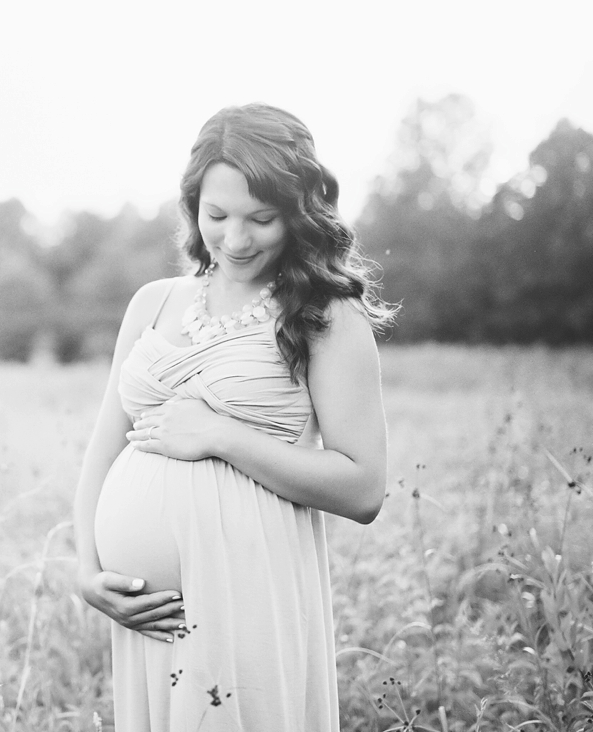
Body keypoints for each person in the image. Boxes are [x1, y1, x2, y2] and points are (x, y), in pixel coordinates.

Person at [72, 102, 395, 731]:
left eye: (262, 219)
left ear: (299, 214)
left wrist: (220, 434)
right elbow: (101, 453)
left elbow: (363, 489)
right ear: (193, 205)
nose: (236, 239)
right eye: (217, 215)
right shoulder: (153, 303)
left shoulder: (326, 317)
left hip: (250, 594)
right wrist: (88, 573)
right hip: (148, 617)